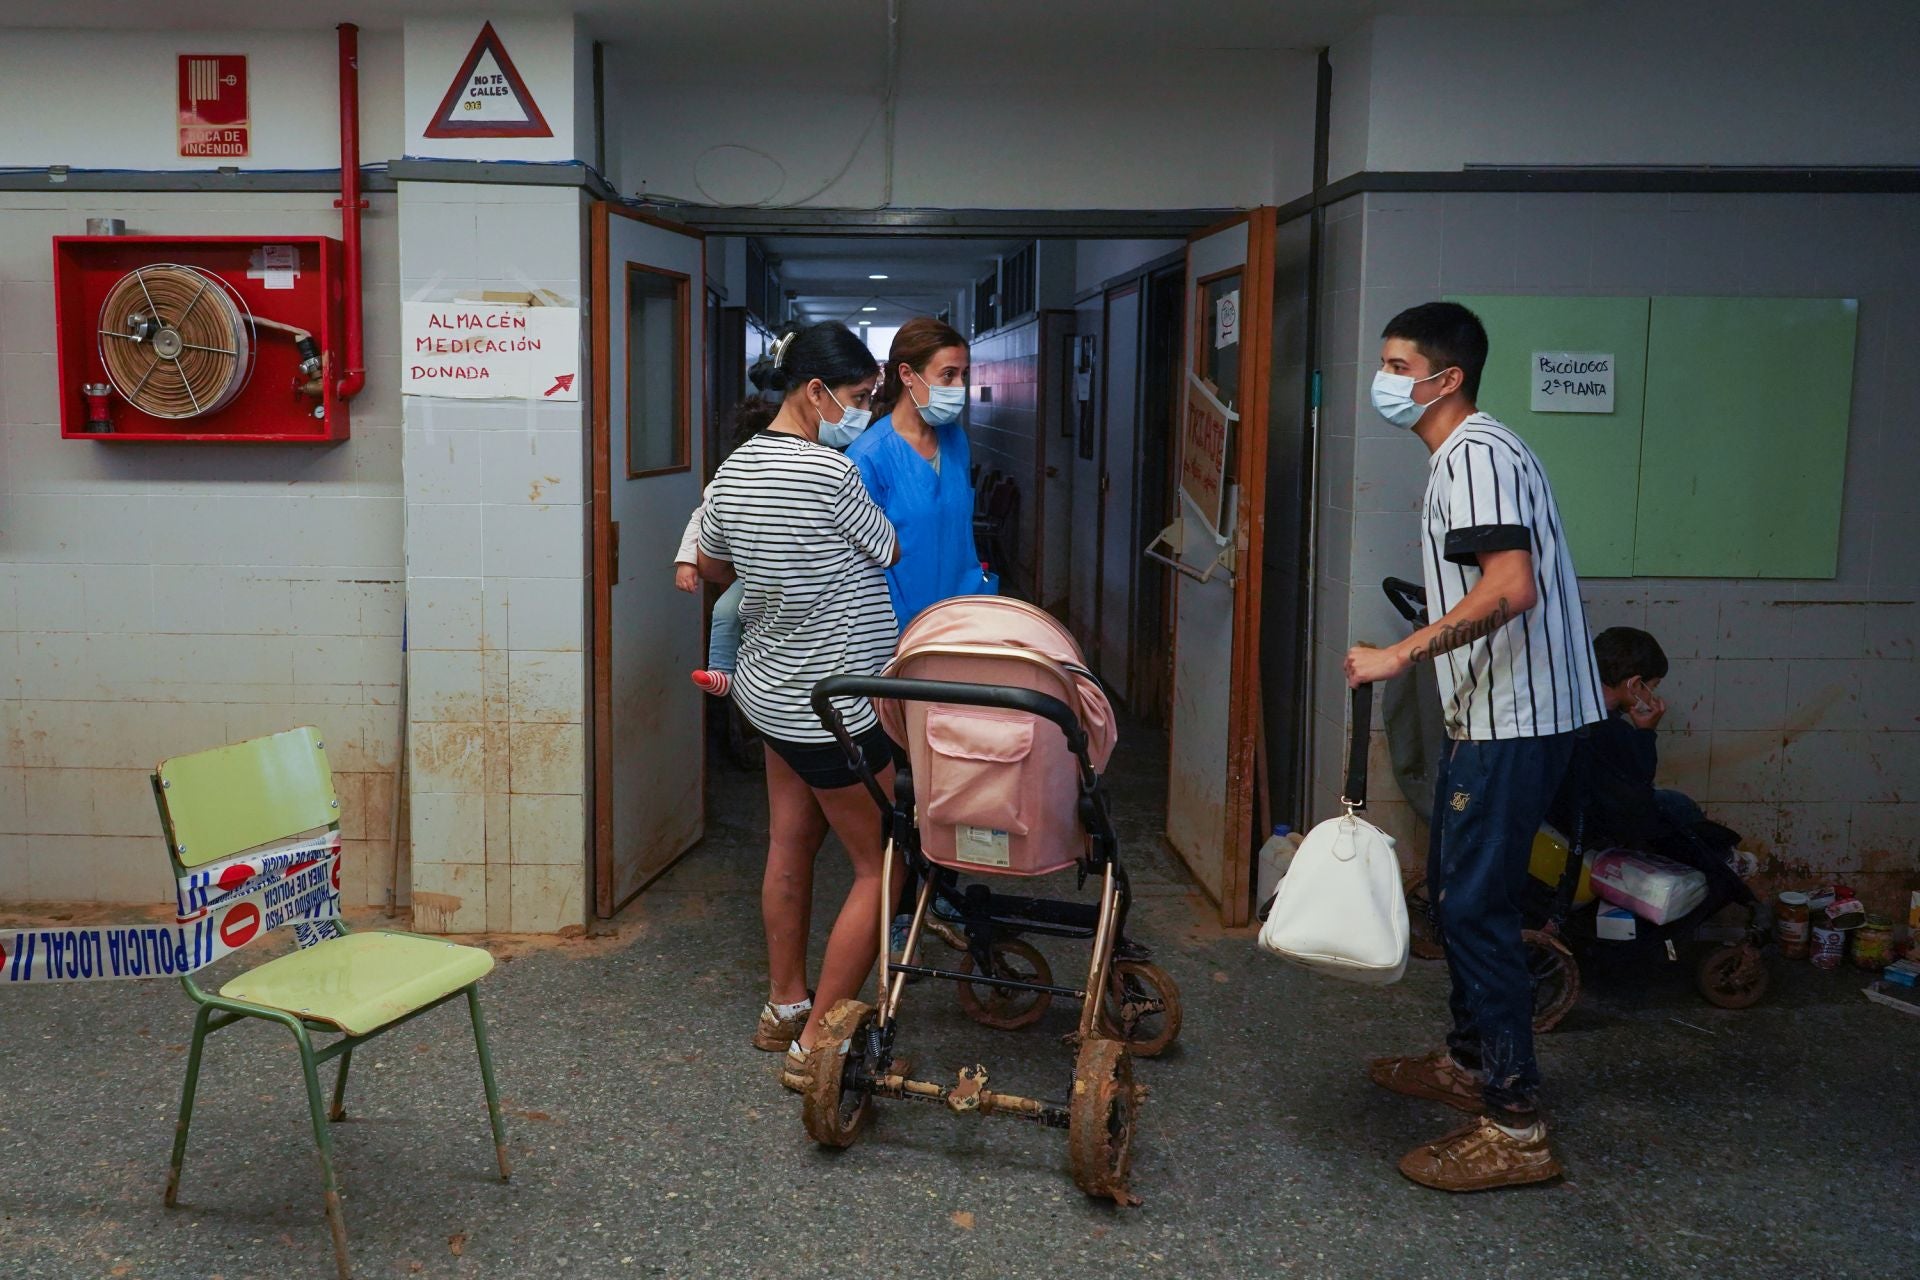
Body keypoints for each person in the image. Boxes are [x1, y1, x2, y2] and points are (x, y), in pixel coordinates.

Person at [1344, 301, 1604, 1193]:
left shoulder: (1476, 455)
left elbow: (1510, 586)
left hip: (1515, 718)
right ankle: (1468, 1064)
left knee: (1476, 912)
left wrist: (1401, 655)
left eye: (1398, 366)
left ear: (1446, 378)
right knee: (1460, 899)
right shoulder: (1466, 453)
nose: (1384, 381)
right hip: (1494, 714)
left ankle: (1516, 1127)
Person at [695, 321, 902, 1091]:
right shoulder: (830, 473)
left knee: (790, 842)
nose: (864, 412)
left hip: (773, 695)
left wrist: (778, 575)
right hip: (836, 706)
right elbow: (889, 549)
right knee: (882, 865)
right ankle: (815, 1044)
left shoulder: (734, 468)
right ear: (815, 391)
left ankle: (785, 1004)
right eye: (859, 397)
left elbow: (713, 564)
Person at [674, 355, 874, 696]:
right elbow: (701, 517)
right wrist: (686, 561)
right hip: (751, 577)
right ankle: (721, 672)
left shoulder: (822, 472)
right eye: (860, 396)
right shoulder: (731, 477)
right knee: (725, 610)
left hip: (807, 601)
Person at [846, 317, 987, 628]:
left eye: (963, 374)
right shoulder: (868, 456)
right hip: (896, 626)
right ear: (907, 375)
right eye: (948, 375)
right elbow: (859, 563)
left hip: (961, 616)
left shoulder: (955, 440)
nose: (960, 387)